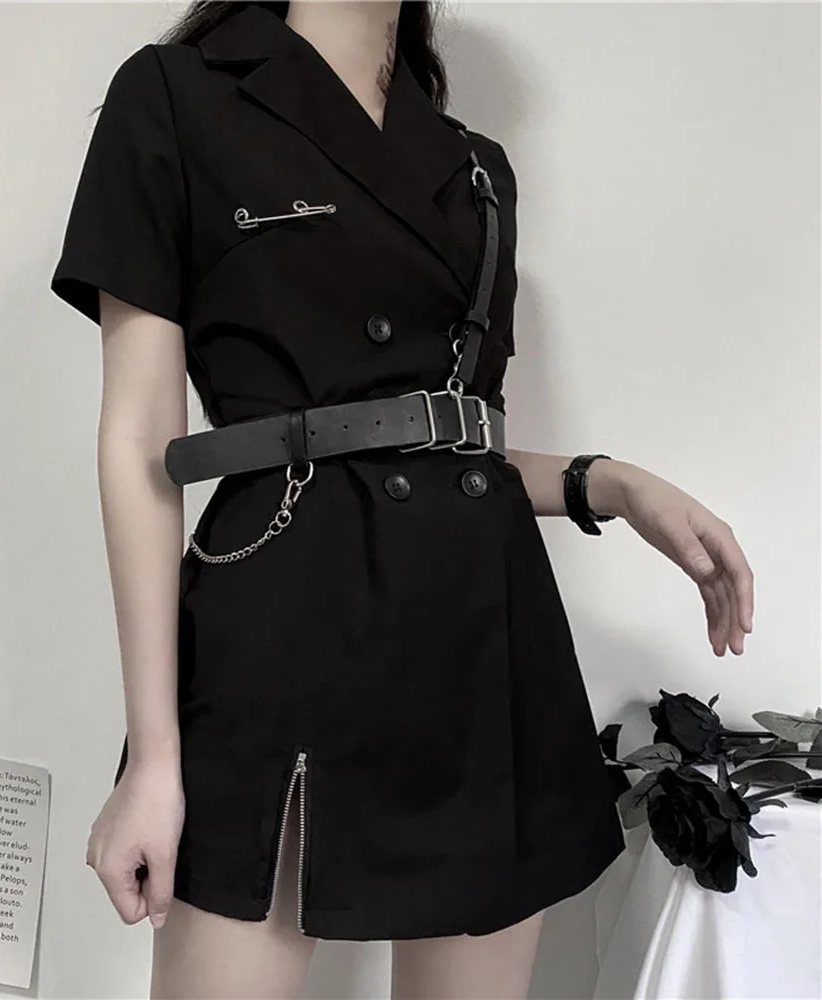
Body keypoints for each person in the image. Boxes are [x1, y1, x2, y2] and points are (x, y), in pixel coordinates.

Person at [49, 2, 755, 997]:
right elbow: (138, 443)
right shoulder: (178, 97)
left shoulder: (476, 169)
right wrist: (154, 758)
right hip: (284, 624)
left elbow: (445, 441)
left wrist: (610, 483)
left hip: (481, 641)